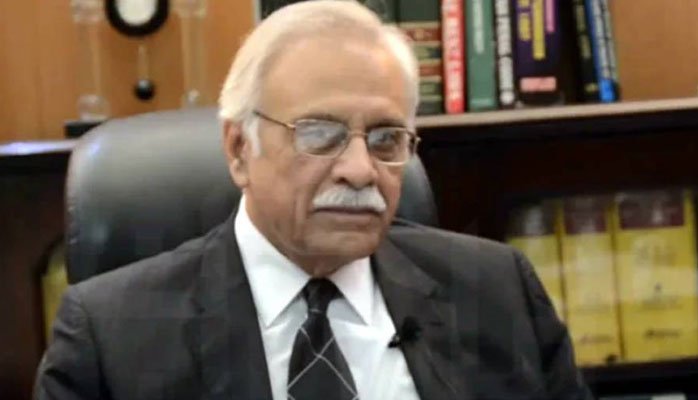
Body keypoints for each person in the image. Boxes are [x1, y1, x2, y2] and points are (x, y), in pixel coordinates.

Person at [35, 1, 593, 399]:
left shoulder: (498, 293)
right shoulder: (109, 339)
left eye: (386, 139)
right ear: (239, 149)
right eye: (320, 134)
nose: (360, 170)